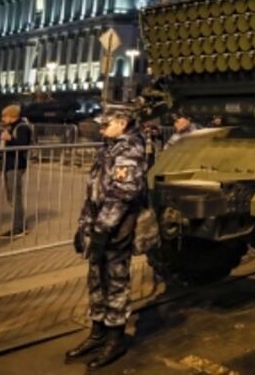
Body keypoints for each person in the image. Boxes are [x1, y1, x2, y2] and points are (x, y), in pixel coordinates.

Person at [67, 103, 147, 370]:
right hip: (100, 224)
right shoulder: (109, 147)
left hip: (118, 227)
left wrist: (102, 229)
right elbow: (93, 192)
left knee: (115, 281)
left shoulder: (130, 148)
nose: (101, 129)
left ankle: (115, 337)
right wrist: (84, 226)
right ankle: (98, 333)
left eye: (105, 124)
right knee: (96, 278)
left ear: (122, 123)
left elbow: (123, 193)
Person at [0, 104, 32, 238]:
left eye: (4, 116)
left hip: (15, 165)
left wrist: (10, 139)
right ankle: (20, 224)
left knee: (15, 196)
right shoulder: (9, 127)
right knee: (11, 196)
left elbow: (23, 145)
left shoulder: (22, 127)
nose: (2, 119)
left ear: (11, 116)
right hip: (8, 165)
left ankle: (19, 227)